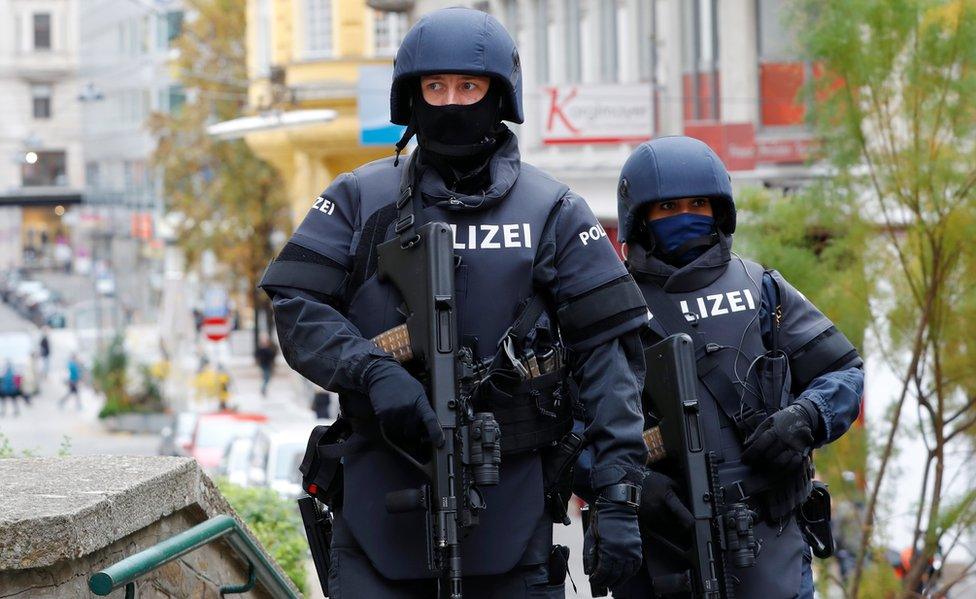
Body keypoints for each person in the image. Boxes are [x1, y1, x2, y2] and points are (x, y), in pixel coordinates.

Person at [259, 8, 649, 598]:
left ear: (500, 94)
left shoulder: (554, 211)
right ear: (409, 96)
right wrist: (372, 373)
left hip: (514, 513)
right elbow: (295, 305)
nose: (451, 103)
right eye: (433, 87)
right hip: (376, 510)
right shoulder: (361, 198)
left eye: (469, 87)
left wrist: (618, 494)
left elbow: (608, 359)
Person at [606, 136, 865, 598]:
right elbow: (571, 427)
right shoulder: (610, 305)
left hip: (770, 542)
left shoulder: (763, 288)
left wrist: (806, 418)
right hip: (663, 551)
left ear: (719, 210)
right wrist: (634, 486)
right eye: (667, 206)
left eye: (697, 203)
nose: (684, 216)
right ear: (639, 217)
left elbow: (844, 372)